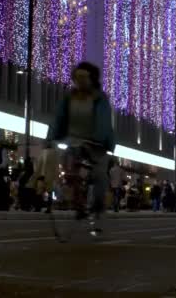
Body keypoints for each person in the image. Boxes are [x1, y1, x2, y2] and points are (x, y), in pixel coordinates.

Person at [48, 62, 115, 233]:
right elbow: (58, 118)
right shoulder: (69, 98)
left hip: (95, 145)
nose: (80, 81)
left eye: (84, 77)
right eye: (77, 77)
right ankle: (79, 206)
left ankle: (98, 211)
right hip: (74, 142)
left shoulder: (100, 99)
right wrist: (50, 138)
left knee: (99, 177)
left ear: (91, 79)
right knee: (70, 173)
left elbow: (104, 122)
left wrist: (98, 139)